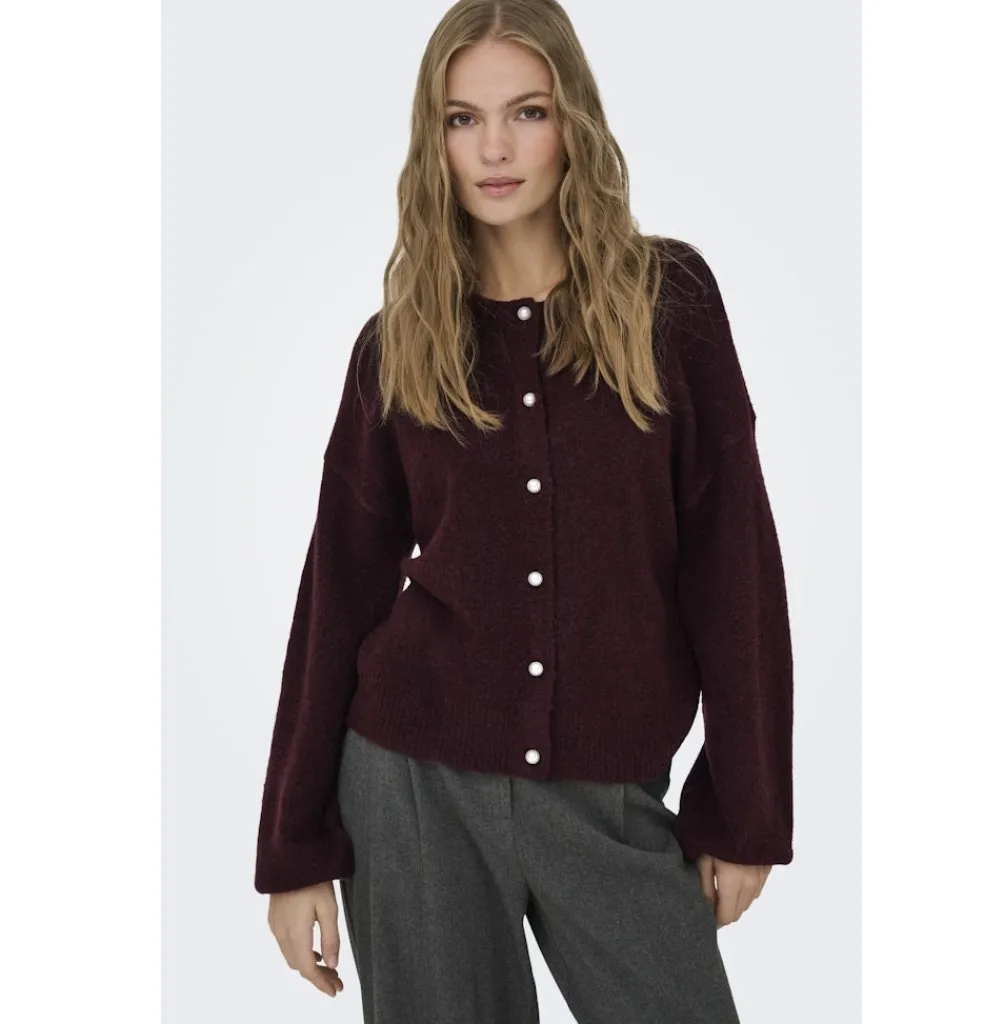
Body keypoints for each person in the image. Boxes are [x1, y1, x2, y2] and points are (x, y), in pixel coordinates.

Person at [254, 0, 795, 1020]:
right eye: (462, 119)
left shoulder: (669, 304)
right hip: (411, 788)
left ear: (572, 122)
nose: (494, 148)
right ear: (434, 141)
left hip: (608, 799)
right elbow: (337, 595)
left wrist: (746, 807)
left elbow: (733, 559)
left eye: (526, 112)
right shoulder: (396, 346)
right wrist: (294, 850)